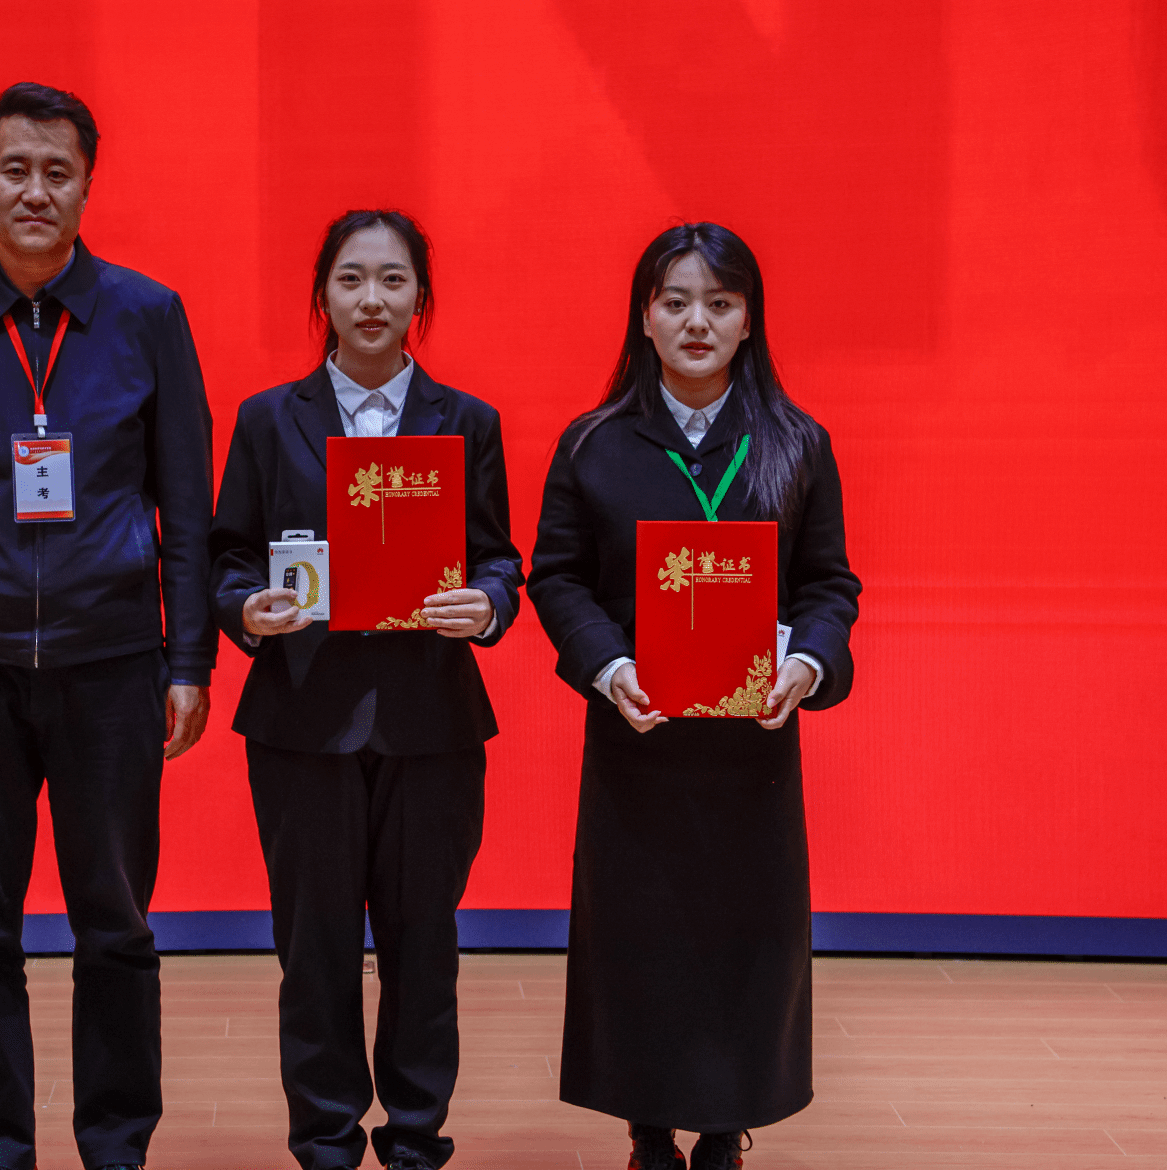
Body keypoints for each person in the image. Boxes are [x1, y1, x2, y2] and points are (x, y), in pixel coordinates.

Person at [0, 81, 216, 1170]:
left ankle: (116, 1145)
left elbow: (185, 503)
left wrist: (189, 660)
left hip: (112, 661)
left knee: (115, 921)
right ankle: (0, 1150)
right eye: (14, 169)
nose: (34, 190)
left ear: (86, 186)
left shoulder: (147, 315)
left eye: (57, 172)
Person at [527, 223, 860, 1170]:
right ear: (645, 317)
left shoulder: (796, 443)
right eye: (675, 302)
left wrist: (809, 663)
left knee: (744, 943)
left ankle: (724, 1128)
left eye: (720, 302)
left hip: (752, 753)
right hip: (639, 740)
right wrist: (608, 666)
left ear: (750, 318)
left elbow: (829, 586)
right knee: (641, 942)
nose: (697, 322)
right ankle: (648, 1129)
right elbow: (558, 578)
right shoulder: (593, 444)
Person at [208, 211, 525, 1170]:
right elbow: (228, 555)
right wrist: (245, 608)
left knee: (425, 941)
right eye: (351, 280)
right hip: (303, 718)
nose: (372, 300)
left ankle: (418, 1136)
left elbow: (500, 557)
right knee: (313, 946)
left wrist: (489, 604)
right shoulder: (270, 419)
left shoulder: (467, 421)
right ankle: (326, 1139)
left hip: (432, 720)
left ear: (420, 296)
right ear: (323, 296)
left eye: (393, 280)